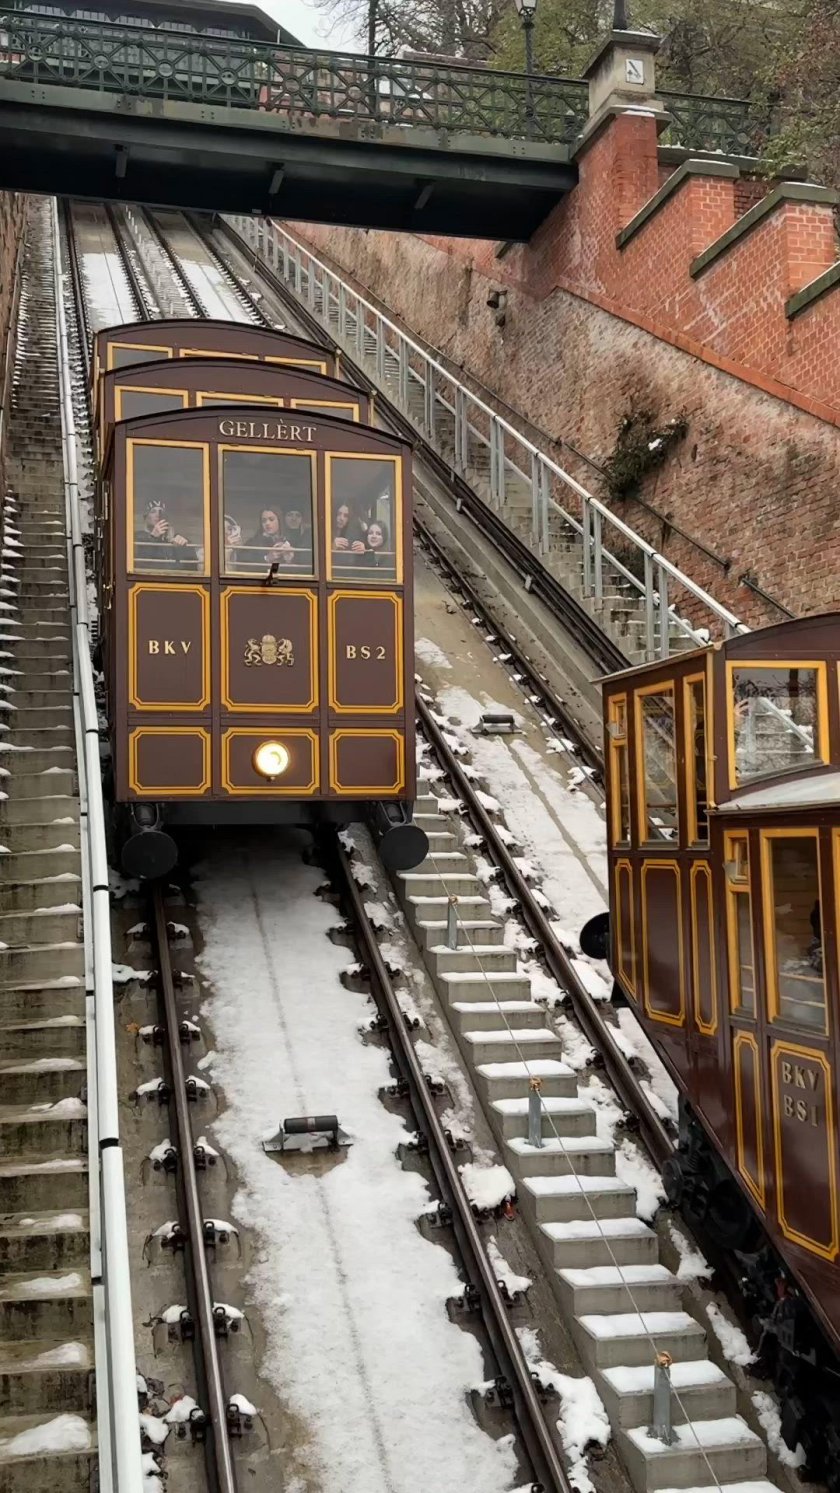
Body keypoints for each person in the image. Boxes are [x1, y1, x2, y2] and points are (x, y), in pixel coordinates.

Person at [136, 500, 197, 570]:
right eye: (153, 511)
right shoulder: (138, 537)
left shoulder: (174, 538)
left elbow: (192, 568)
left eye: (161, 512)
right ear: (145, 518)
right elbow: (139, 564)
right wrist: (152, 537)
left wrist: (183, 548)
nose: (158, 514)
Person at [332, 501, 366, 568]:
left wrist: (364, 550)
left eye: (346, 516)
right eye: (339, 514)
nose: (341, 518)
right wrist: (331, 546)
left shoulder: (353, 535)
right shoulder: (325, 531)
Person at [283, 503, 312, 568]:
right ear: (284, 517)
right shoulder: (278, 535)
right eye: (290, 515)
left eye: (298, 515)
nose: (294, 519)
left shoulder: (309, 536)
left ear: (302, 519)